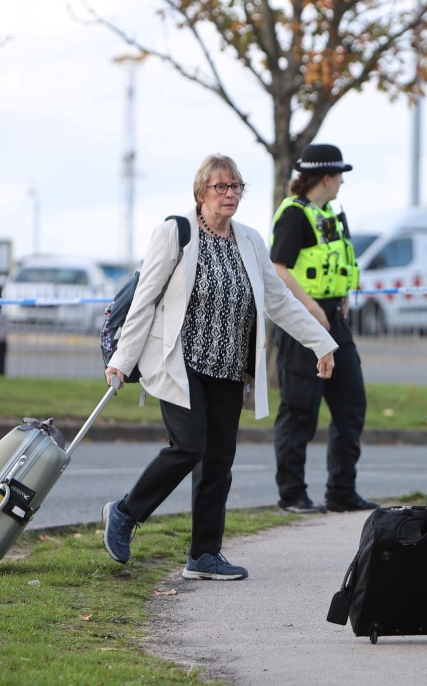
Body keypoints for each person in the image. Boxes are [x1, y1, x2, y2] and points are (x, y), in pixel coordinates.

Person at [102, 154, 338, 580]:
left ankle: (205, 555)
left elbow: (279, 301)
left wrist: (320, 343)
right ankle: (124, 513)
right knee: (188, 447)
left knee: (218, 462)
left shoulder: (249, 240)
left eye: (236, 187)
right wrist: (122, 360)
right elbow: (145, 301)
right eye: (221, 187)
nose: (230, 194)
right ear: (201, 193)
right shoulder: (177, 233)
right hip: (181, 363)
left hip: (229, 368)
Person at [269, 143, 377, 514]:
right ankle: (292, 494)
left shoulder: (329, 213)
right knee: (300, 409)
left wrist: (342, 297)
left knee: (351, 404)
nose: (342, 183)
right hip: (302, 322)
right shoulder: (294, 215)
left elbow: (336, 262)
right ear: (325, 177)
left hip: (335, 320)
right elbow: (279, 268)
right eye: (339, 176)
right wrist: (312, 306)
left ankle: (342, 491)